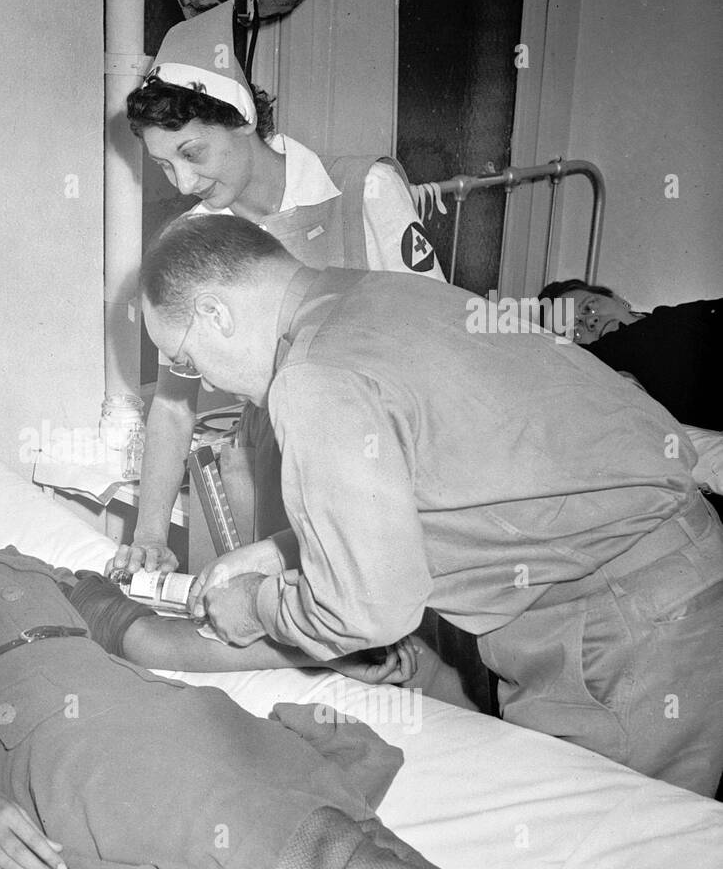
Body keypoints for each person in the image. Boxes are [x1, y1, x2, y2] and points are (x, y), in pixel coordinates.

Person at [0, 455, 721, 869]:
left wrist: (319, 653)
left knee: (359, 844)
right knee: (320, 857)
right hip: (57, 741)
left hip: (147, 704)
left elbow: (156, 638)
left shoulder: (15, 564)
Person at [140, 214, 723, 798]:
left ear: (216, 313)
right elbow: (434, 478)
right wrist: (273, 553)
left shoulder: (315, 375)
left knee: (605, 865)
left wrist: (254, 608)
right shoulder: (389, 293)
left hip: (623, 630)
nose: (204, 383)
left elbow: (367, 613)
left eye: (187, 359)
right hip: (678, 577)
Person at [111, 0, 443, 580]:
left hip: (393, 448)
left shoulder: (361, 191)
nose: (184, 181)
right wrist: (149, 536)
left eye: (193, 153)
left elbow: (439, 339)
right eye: (165, 166)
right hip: (272, 463)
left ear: (240, 118)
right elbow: (172, 402)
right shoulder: (194, 238)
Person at [538, 280, 723, 517]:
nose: (590, 321)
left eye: (589, 307)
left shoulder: (681, 319)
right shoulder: (615, 384)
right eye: (575, 332)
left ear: (618, 299)